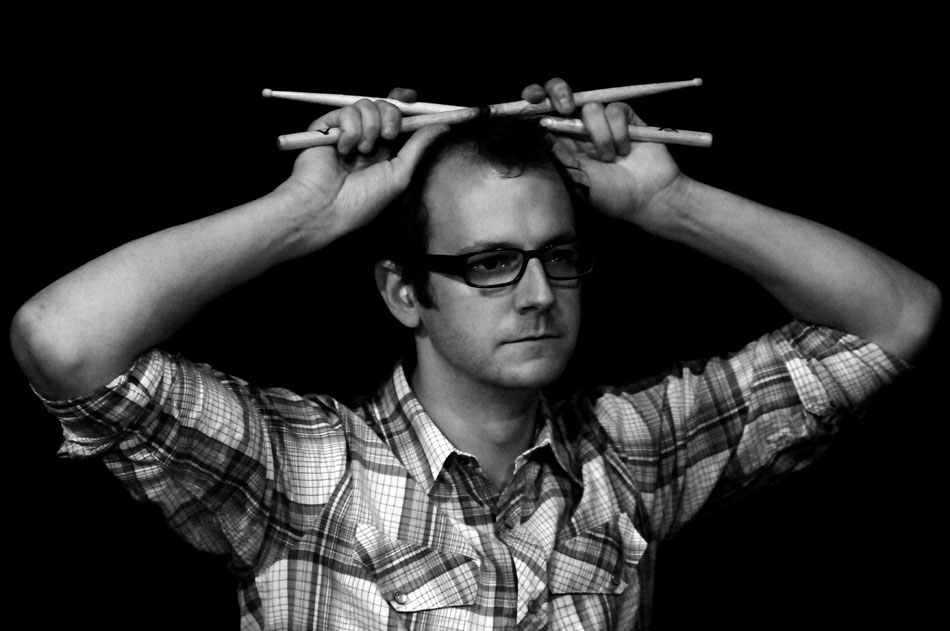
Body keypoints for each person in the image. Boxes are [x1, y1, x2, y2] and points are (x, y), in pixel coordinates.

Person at [10, 77, 941, 630]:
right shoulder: (300, 471)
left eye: (559, 257)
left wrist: (671, 206)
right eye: (492, 263)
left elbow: (897, 316)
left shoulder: (632, 452)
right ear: (404, 291)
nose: (539, 294)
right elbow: (64, 338)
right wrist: (303, 217)